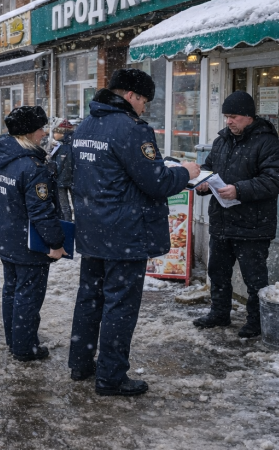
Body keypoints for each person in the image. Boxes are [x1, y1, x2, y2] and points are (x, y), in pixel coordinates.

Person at [68, 68, 200, 396]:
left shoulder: (86, 125)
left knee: (90, 298)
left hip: (93, 229)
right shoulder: (131, 129)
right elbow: (156, 182)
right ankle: (111, 377)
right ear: (131, 96)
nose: (145, 108)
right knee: (120, 305)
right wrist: (185, 172)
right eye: (144, 101)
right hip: (124, 233)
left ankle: (81, 363)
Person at [193, 91, 279, 338]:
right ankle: (219, 313)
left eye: (233, 116)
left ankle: (256, 322)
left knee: (254, 278)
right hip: (222, 222)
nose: (228, 121)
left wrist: (239, 189)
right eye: (226, 117)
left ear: (248, 116)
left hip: (253, 225)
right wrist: (202, 183)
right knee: (218, 272)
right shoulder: (221, 141)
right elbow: (208, 168)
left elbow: (274, 180)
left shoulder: (268, 144)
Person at [0, 106, 68, 362]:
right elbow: (42, 211)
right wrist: (56, 243)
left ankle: (15, 341)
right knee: (28, 297)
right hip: (30, 244)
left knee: (11, 292)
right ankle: (25, 348)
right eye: (40, 129)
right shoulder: (32, 166)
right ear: (28, 133)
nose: (44, 133)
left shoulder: (2, 159)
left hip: (8, 238)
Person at [46, 120, 76, 221]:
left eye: (55, 132)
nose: (54, 134)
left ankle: (67, 225)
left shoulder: (62, 147)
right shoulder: (71, 144)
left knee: (64, 207)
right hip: (72, 179)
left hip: (61, 180)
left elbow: (58, 164)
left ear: (62, 132)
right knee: (75, 205)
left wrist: (54, 174)